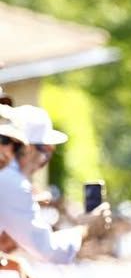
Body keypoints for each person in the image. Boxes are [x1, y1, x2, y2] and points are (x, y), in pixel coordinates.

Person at [0, 105, 111, 263]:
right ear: (28, 149)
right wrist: (86, 229)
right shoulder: (11, 181)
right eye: (46, 151)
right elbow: (49, 251)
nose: (45, 161)